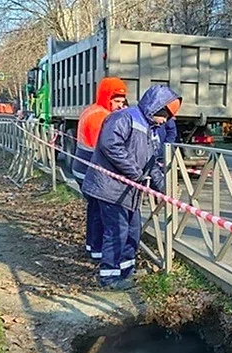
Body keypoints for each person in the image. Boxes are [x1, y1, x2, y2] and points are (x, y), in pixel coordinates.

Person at [82, 85, 181, 289]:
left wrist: (164, 190)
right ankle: (109, 277)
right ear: (156, 109)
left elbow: (151, 163)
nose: (165, 122)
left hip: (128, 191)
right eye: (165, 116)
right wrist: (135, 172)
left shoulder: (151, 129)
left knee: (132, 231)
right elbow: (110, 145)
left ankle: (126, 270)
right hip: (110, 189)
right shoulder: (124, 118)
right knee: (116, 231)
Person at [72, 77, 128, 261]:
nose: (120, 105)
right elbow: (106, 149)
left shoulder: (93, 109)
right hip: (91, 171)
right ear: (107, 98)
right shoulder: (100, 117)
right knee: (101, 213)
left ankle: (92, 247)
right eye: (117, 101)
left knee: (94, 210)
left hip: (83, 168)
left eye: (122, 101)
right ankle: (98, 251)